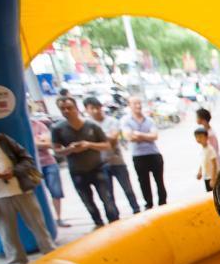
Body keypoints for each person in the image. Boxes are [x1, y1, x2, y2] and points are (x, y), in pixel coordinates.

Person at [0, 114, 55, 264]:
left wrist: (14, 171)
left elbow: (27, 159)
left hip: (21, 190)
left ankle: (52, 257)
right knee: (7, 235)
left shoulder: (2, 140)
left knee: (39, 227)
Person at [51, 97, 119, 227]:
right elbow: (56, 151)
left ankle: (115, 224)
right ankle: (98, 223)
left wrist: (88, 145)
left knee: (107, 199)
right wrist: (69, 149)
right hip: (77, 171)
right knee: (88, 202)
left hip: (97, 168)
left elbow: (106, 145)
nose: (66, 111)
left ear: (76, 108)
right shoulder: (57, 129)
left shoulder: (92, 126)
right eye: (63, 109)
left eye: (69, 108)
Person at [84, 97, 141, 215]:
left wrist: (93, 142)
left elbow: (113, 140)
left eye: (97, 108)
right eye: (92, 108)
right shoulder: (87, 125)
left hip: (117, 161)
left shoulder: (112, 121)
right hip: (99, 164)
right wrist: (102, 140)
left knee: (128, 190)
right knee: (108, 194)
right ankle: (114, 216)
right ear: (87, 110)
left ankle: (137, 210)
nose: (95, 111)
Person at [122, 97, 167, 209]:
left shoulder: (149, 120)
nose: (138, 105)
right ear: (129, 105)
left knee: (159, 181)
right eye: (134, 103)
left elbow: (155, 136)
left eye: (139, 103)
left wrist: (138, 134)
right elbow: (129, 137)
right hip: (139, 156)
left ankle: (163, 204)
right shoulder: (126, 121)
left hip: (153, 154)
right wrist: (147, 136)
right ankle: (149, 204)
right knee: (144, 182)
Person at [29, 115, 69, 227]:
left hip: (48, 163)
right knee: (37, 195)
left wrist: (34, 143)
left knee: (56, 191)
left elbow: (49, 143)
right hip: (32, 166)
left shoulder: (39, 125)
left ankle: (58, 218)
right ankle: (45, 220)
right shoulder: (19, 127)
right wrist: (37, 142)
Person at [194, 127, 220, 192]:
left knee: (214, 193)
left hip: (212, 177)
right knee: (209, 192)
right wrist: (200, 172)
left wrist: (213, 178)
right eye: (197, 137)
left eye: (200, 137)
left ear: (206, 137)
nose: (198, 139)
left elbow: (215, 165)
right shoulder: (203, 149)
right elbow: (202, 162)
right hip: (206, 177)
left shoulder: (210, 149)